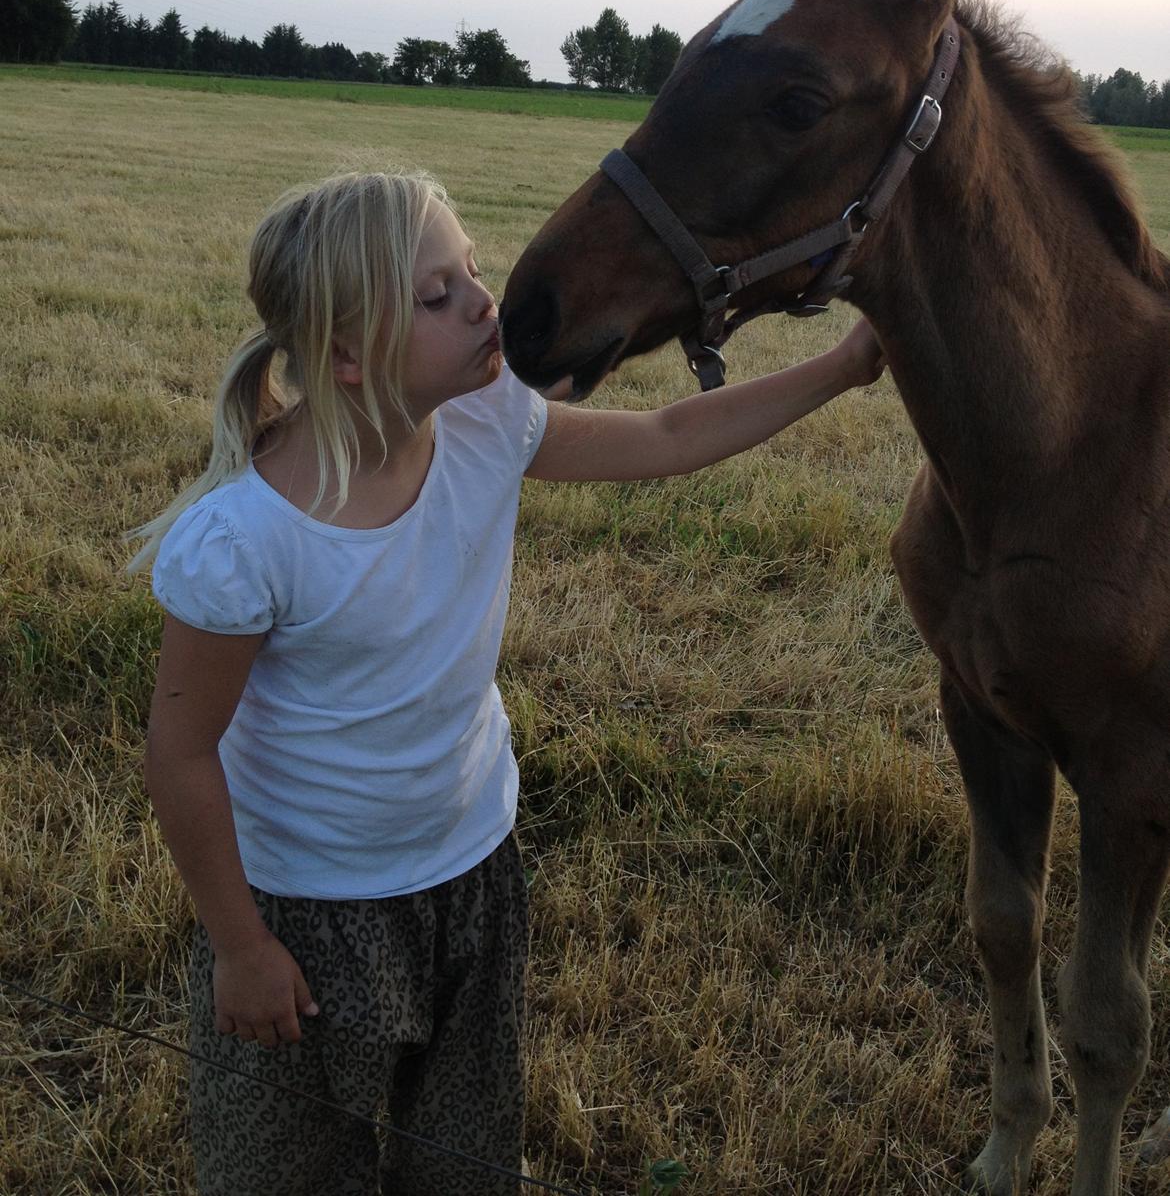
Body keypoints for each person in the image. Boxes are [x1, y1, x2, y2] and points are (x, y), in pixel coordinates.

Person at [133, 168, 884, 1196]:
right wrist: (239, 946)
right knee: (289, 1174)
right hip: (305, 915)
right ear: (347, 356)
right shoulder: (245, 540)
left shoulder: (486, 423)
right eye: (437, 295)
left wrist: (844, 366)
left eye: (473, 270)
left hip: (471, 876)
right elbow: (180, 754)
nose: (486, 302)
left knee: (465, 1163)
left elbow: (667, 437)